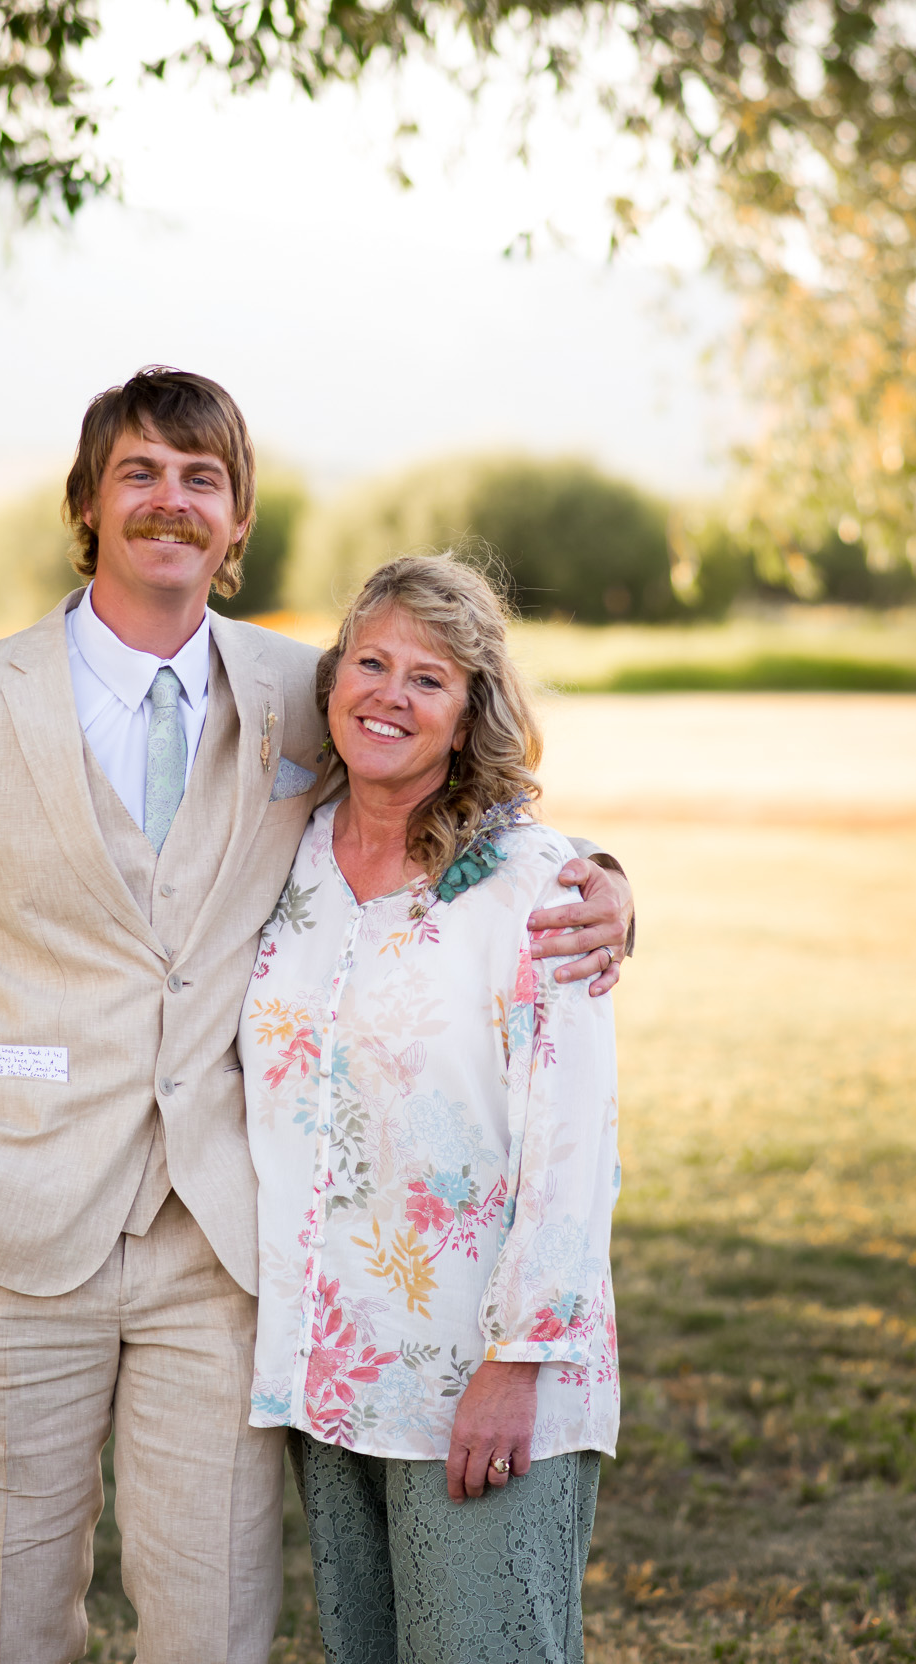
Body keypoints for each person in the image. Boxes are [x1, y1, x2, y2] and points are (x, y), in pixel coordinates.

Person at [0, 368, 633, 1664]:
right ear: (86, 500)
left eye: (203, 479)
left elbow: (462, 785)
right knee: (6, 1621)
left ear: (237, 520)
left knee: (217, 1630)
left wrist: (605, 887)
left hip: (222, 1254)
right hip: (4, 1229)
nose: (169, 501)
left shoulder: (305, 688)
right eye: (139, 471)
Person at [240, 553, 619, 1664]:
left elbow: (573, 1143)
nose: (389, 696)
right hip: (327, 1367)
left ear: (468, 714)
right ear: (331, 679)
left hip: (483, 1374)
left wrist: (517, 1359)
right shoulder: (287, 856)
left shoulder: (534, 885)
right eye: (370, 663)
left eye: (428, 678)